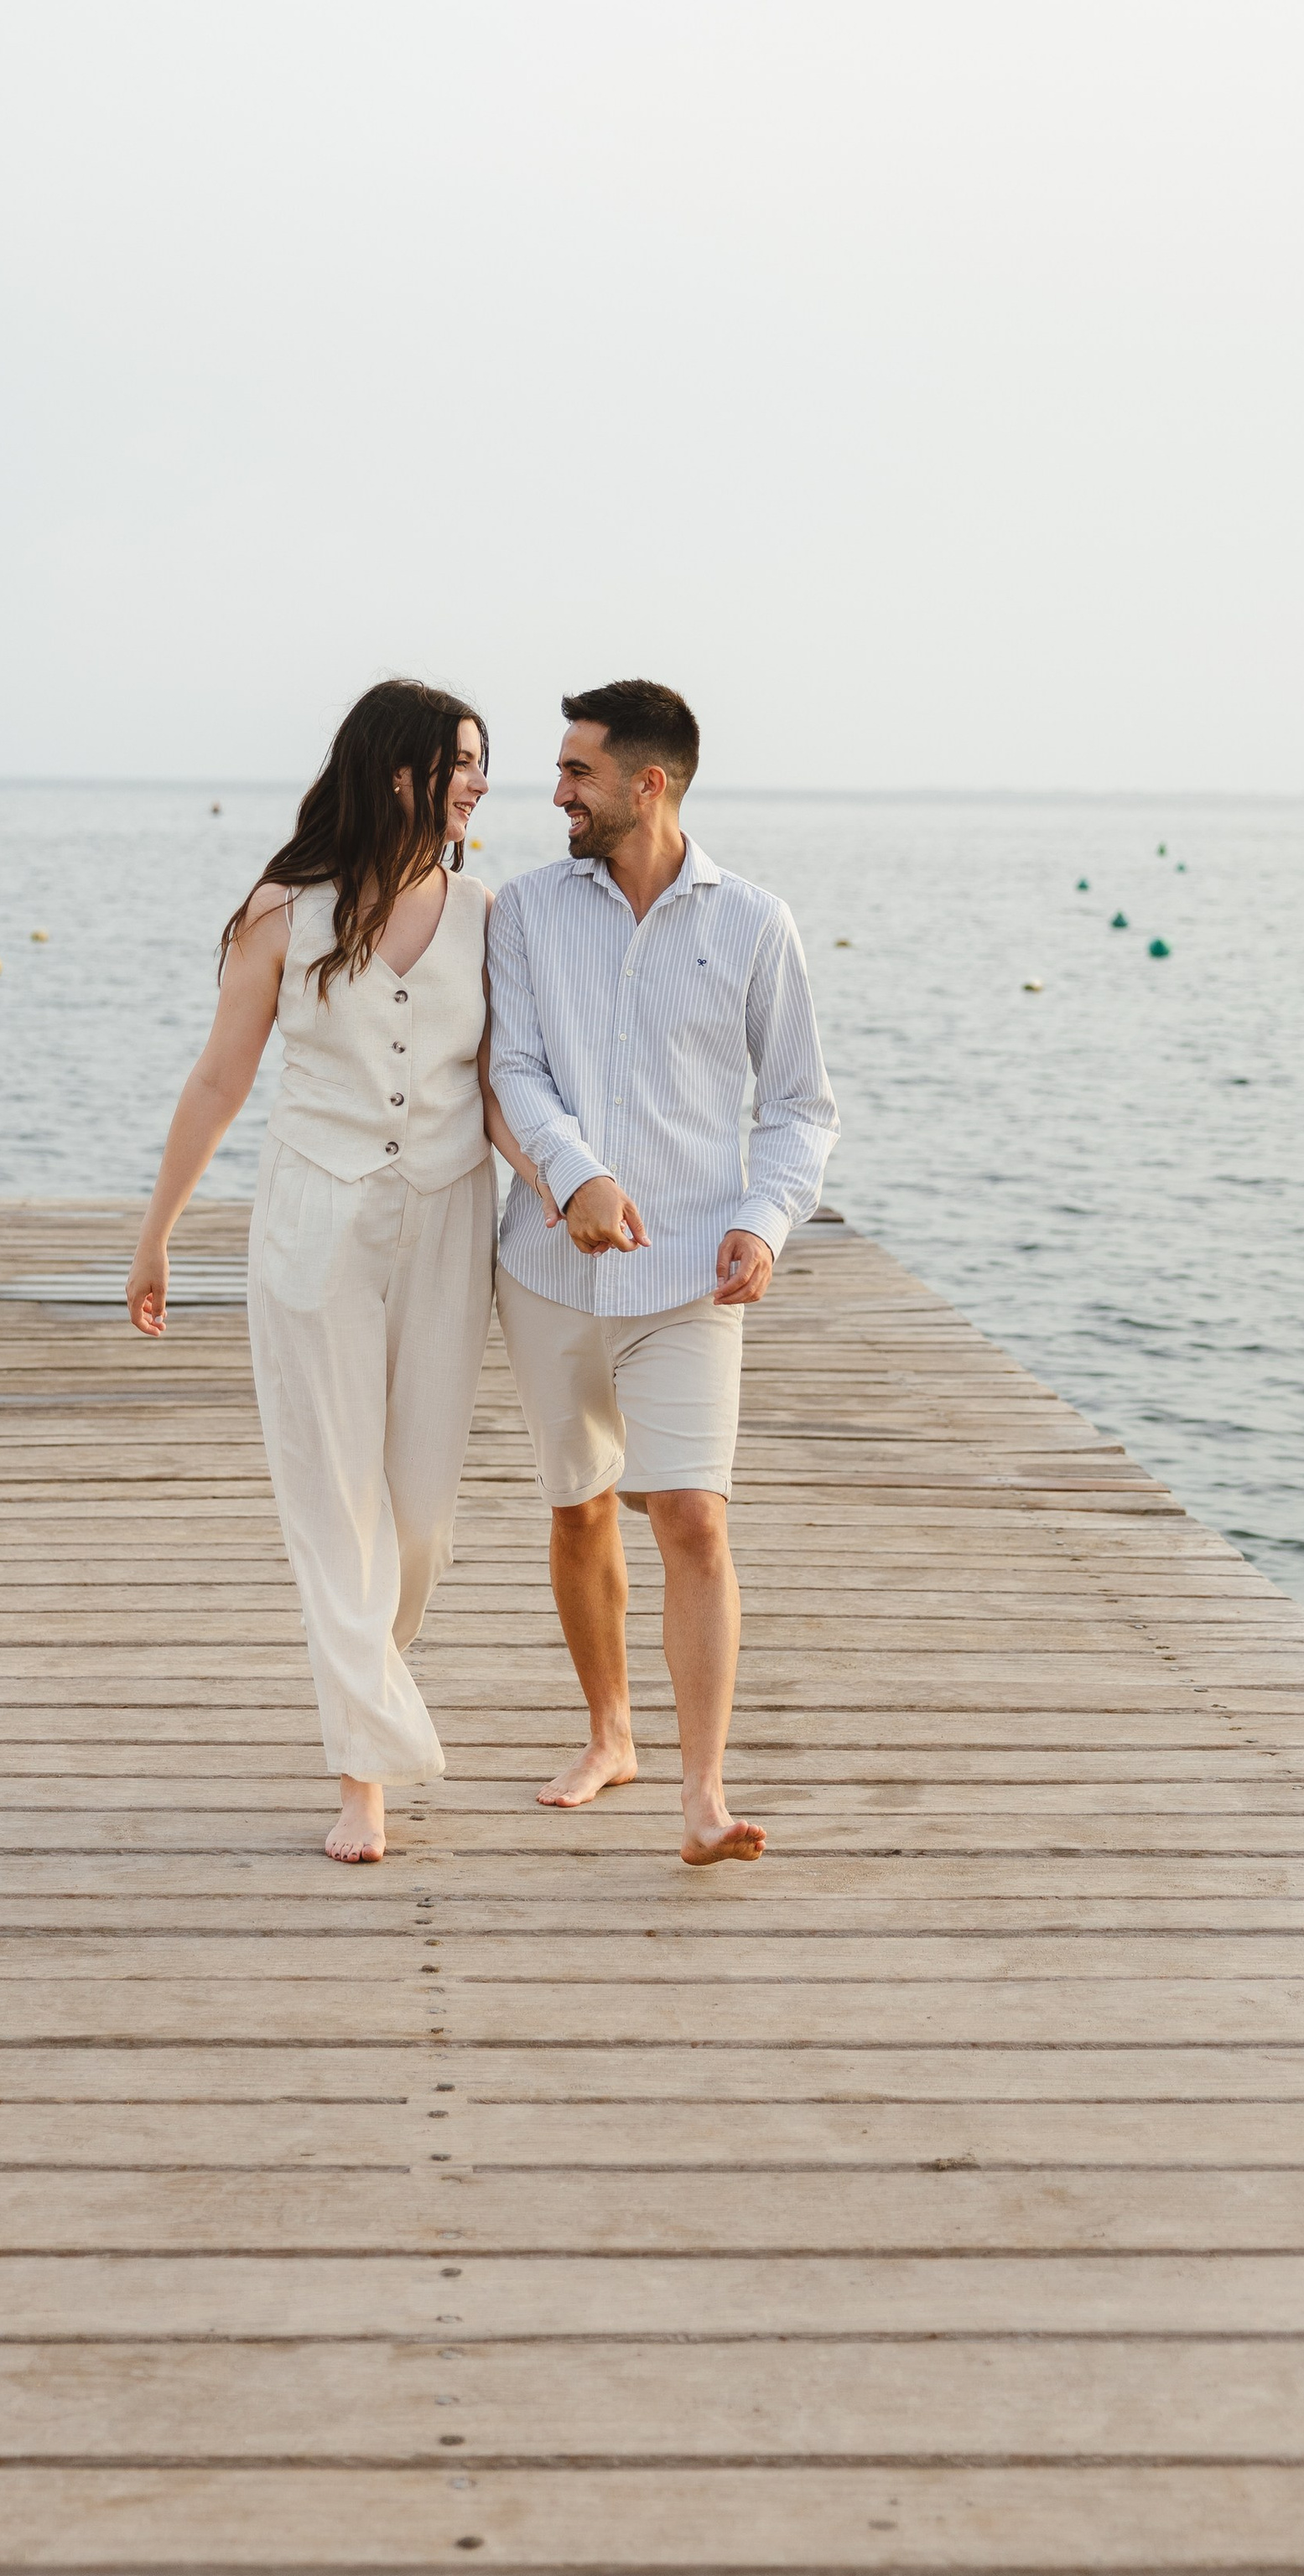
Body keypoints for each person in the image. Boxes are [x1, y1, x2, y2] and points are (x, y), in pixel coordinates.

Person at [124, 679, 543, 1865]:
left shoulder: (487, 914)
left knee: (420, 1518)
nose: (473, 782)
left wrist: (563, 1185)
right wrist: (158, 1233)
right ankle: (362, 1775)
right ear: (392, 767)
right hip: (314, 1227)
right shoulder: (285, 914)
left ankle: (369, 1697)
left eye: (481, 763)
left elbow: (504, 1090)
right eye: (455, 760)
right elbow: (219, 1079)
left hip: (449, 1224)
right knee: (334, 1505)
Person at [486, 681, 837, 1864]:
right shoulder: (526, 909)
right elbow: (515, 1070)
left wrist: (767, 1220)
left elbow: (798, 1107)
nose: (556, 791)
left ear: (651, 784)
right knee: (581, 1502)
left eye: (577, 771)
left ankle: (703, 1792)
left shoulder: (754, 924)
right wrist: (578, 1176)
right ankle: (608, 1733)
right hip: (546, 1269)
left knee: (691, 1515)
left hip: (692, 1272)